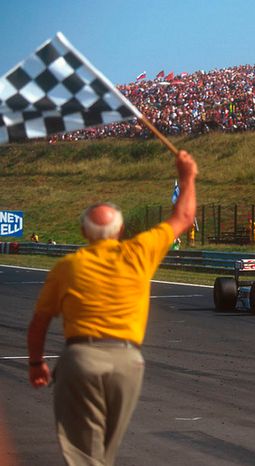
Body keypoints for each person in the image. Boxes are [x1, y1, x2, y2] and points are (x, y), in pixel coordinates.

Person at [27, 150, 198, 466]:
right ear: (120, 232)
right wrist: (187, 175)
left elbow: (39, 322)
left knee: (83, 453)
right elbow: (184, 217)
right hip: (128, 362)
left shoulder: (67, 266)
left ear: (83, 233)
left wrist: (37, 363)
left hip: (82, 358)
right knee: (105, 452)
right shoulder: (139, 251)